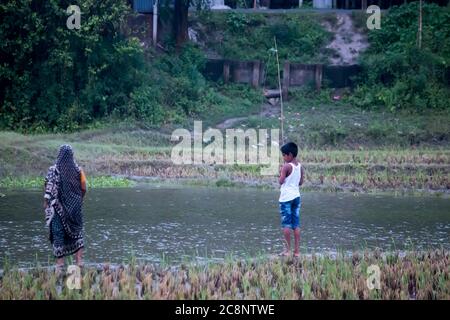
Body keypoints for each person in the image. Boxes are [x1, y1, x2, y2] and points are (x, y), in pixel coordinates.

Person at [43, 144, 86, 268]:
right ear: (72, 155)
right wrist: (79, 200)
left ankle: (60, 263)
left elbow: (49, 188)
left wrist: (45, 203)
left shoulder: (53, 169)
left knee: (58, 233)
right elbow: (84, 187)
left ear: (59, 155)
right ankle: (79, 261)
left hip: (58, 208)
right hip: (75, 207)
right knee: (77, 232)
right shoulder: (79, 170)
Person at [278, 142, 304, 257]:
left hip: (286, 199)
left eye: (284, 155)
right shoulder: (300, 166)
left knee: (286, 224)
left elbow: (281, 181)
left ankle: (287, 251)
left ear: (289, 155)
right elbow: (300, 182)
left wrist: (281, 172)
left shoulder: (286, 166)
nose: (283, 157)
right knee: (296, 224)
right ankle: (297, 251)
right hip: (296, 197)